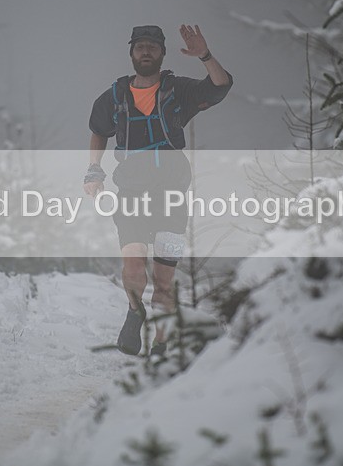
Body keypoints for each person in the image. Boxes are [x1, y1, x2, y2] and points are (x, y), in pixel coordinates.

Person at [84, 24, 232, 356]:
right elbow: (98, 131)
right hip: (132, 194)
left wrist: (205, 55)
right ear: (131, 53)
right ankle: (135, 311)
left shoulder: (177, 90)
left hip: (172, 195)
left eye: (152, 46)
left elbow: (220, 87)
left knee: (164, 281)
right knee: (134, 267)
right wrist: (94, 169)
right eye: (140, 47)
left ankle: (161, 348)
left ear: (162, 53)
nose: (146, 51)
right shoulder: (115, 96)